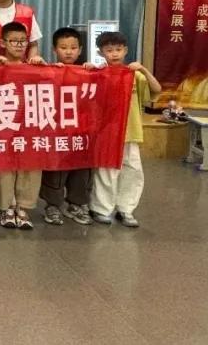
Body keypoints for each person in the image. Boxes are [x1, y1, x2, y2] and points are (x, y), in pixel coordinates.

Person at [89, 31, 161, 228]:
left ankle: (126, 209)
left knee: (132, 170)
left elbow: (156, 90)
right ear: (101, 52)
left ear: (126, 50)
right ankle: (101, 209)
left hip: (130, 132)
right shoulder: (98, 74)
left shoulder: (134, 75)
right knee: (106, 170)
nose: (114, 54)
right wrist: (89, 70)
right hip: (106, 132)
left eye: (118, 49)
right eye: (109, 50)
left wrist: (144, 69)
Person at [0, 22, 43, 229]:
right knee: (5, 165)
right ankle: (8, 207)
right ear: (3, 43)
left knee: (30, 164)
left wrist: (43, 66)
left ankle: (23, 207)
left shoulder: (34, 67)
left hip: (30, 123)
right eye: (14, 41)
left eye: (23, 41)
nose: (19, 45)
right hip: (3, 122)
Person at [40, 28, 93, 226]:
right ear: (54, 49)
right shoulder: (48, 71)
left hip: (82, 131)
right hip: (57, 131)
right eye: (63, 47)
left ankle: (76, 204)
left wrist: (95, 71)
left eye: (73, 47)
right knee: (55, 169)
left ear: (80, 50)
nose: (69, 51)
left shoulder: (88, 72)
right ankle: (52, 205)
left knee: (81, 169)